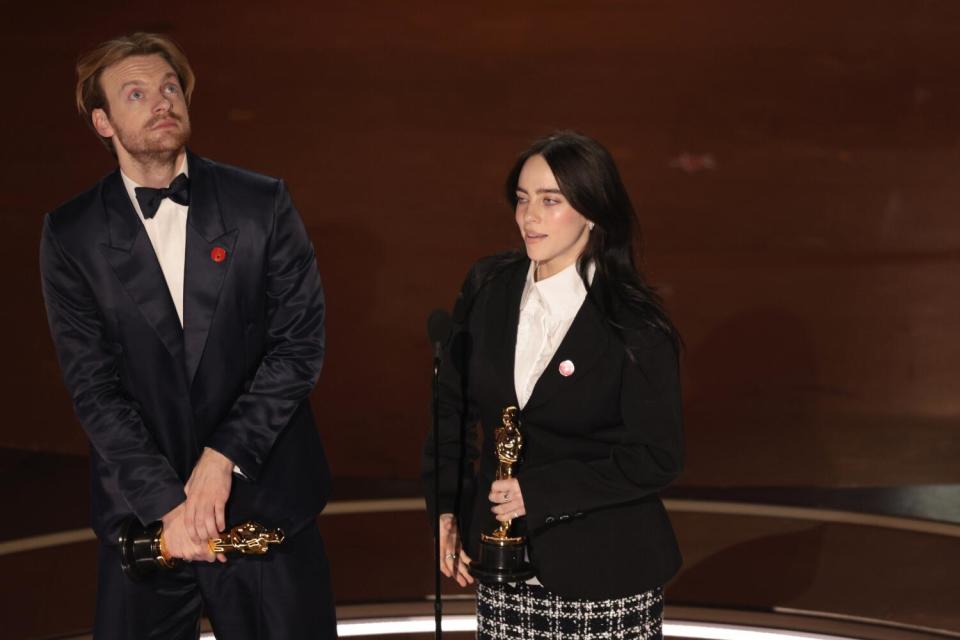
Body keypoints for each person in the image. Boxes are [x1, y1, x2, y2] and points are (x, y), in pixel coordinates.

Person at [39, 33, 336, 639]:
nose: (161, 102)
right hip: (148, 524)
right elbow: (93, 387)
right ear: (103, 122)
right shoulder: (71, 235)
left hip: (265, 506)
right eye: (136, 93)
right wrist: (170, 509)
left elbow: (298, 344)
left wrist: (223, 458)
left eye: (170, 88)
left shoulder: (262, 203)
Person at [423, 131, 683, 639]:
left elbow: (658, 456)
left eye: (550, 201)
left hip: (605, 572)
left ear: (591, 210)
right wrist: (447, 509)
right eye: (522, 199)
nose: (529, 217)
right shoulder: (488, 287)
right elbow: (450, 410)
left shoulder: (634, 324)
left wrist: (537, 493)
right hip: (503, 568)